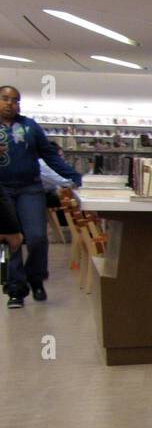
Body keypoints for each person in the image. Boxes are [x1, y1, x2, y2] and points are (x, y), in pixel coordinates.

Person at [0, 85, 83, 305]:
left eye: (15, 100)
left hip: (30, 188)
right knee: (9, 239)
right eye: (5, 99)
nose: (10, 103)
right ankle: (14, 288)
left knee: (37, 237)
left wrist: (72, 175)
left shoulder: (29, 126)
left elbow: (49, 155)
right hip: (1, 191)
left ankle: (35, 278)